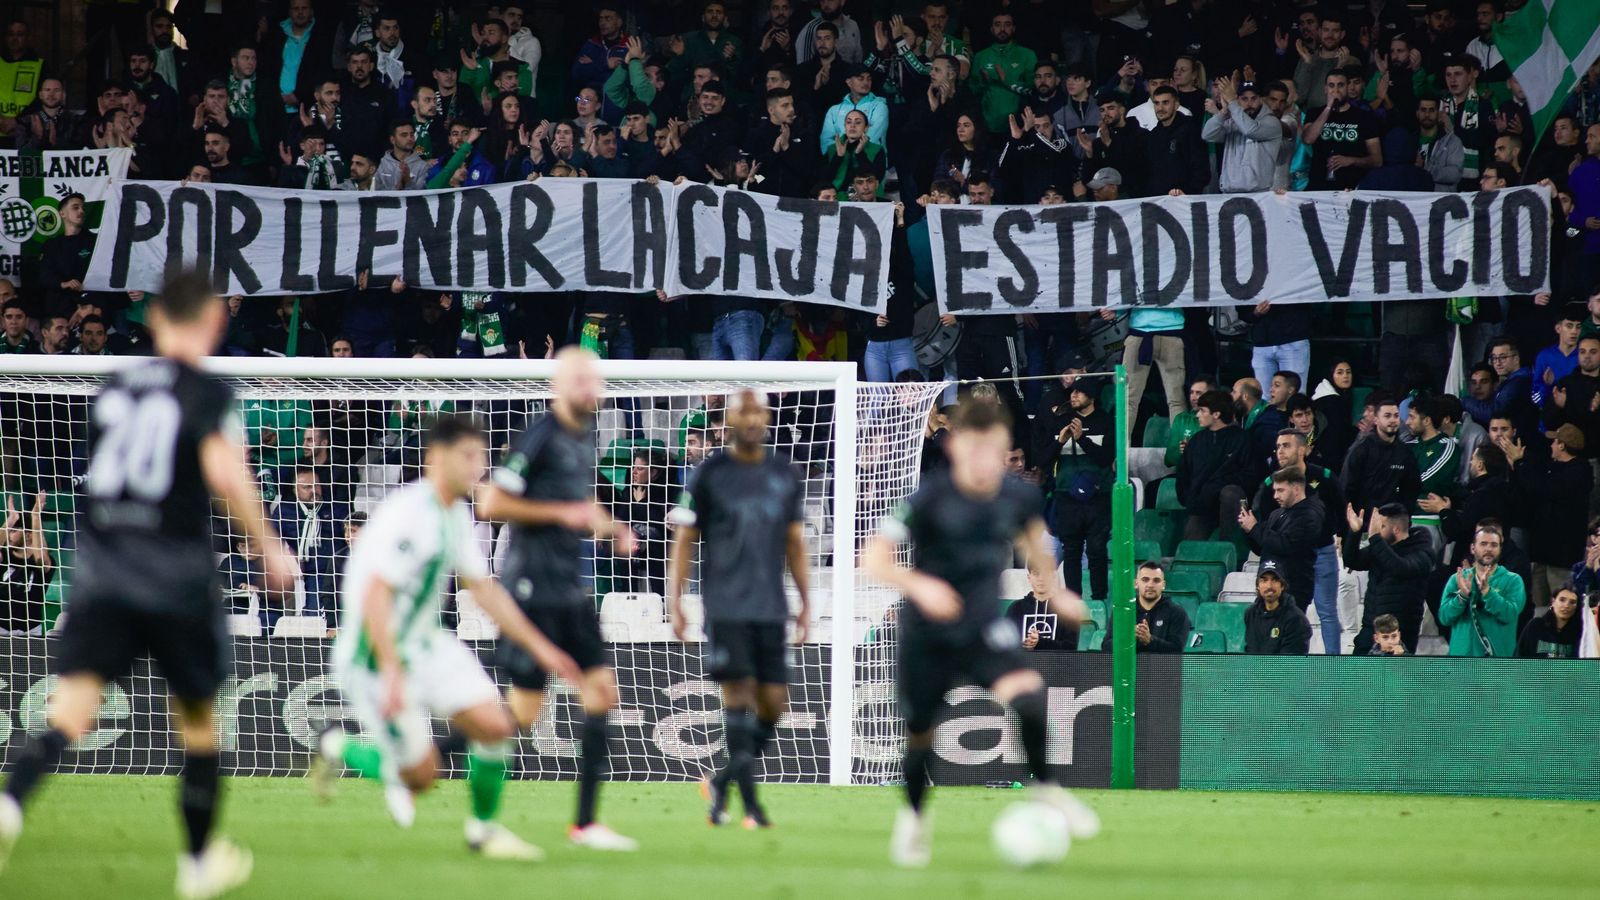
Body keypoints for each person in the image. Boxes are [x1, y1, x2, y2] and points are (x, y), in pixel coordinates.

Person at [0, 272, 299, 894]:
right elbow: (225, 473)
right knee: (198, 722)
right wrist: (268, 546)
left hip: (105, 573)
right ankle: (196, 863)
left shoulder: (114, 388)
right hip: (175, 575)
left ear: (156, 320)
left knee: (70, 712)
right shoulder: (205, 391)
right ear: (214, 322)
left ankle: (10, 806)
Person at [312, 414, 578, 859]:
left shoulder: (455, 513)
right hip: (376, 654)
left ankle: (484, 831)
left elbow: (484, 590)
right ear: (435, 458)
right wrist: (395, 674)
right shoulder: (409, 514)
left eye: (482, 457)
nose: (478, 466)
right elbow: (376, 595)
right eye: (468, 456)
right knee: (422, 777)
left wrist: (541, 647)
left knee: (496, 726)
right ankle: (335, 743)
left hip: (427, 642)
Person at [863, 399, 1097, 868]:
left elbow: (1035, 546)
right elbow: (873, 559)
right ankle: (912, 821)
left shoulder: (1019, 497)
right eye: (976, 448)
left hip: (982, 627)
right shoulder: (927, 498)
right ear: (955, 448)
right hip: (926, 635)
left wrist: (1058, 593)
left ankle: (1046, 790)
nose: (986, 459)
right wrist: (920, 584)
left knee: (1030, 699)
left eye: (996, 449)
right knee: (920, 735)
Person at [477, 347, 639, 851]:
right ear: (559, 385)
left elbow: (580, 505)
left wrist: (613, 526)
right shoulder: (540, 434)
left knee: (602, 694)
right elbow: (490, 503)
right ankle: (418, 763)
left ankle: (586, 824)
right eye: (582, 380)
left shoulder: (583, 435)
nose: (593, 389)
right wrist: (559, 514)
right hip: (532, 591)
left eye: (596, 380)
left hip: (571, 589)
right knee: (520, 716)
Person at [666, 391, 809, 829]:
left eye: (757, 411)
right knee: (738, 699)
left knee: (774, 704)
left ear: (767, 417)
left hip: (771, 605)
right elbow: (686, 539)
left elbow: (794, 541)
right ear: (727, 418)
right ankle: (750, 809)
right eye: (742, 411)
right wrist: (675, 599)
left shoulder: (783, 471)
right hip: (725, 603)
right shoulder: (709, 473)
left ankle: (723, 781)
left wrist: (806, 602)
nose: (751, 418)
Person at [1254, 429, 1344, 654]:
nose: (1280, 451)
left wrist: (1342, 534)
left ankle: (1334, 665)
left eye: (1286, 445)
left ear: (1302, 450)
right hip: (1288, 558)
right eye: (1278, 446)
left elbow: (1341, 508)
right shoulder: (1270, 484)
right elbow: (1262, 517)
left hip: (1322, 551)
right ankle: (1287, 661)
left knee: (1327, 611)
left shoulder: (1324, 477)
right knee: (1289, 610)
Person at [1344, 502, 1436, 655]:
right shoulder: (1381, 545)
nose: (1376, 531)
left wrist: (1375, 538)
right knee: (1358, 677)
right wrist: (1355, 532)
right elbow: (1353, 561)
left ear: (1396, 529)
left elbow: (1400, 567)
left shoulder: (1422, 550)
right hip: (1370, 630)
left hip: (1399, 634)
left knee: (1395, 678)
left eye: (1382, 526)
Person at [1239, 468, 1324, 614]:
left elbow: (1285, 545)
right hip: (1268, 589)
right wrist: (1248, 531)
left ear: (1296, 489)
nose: (1275, 496)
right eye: (1274, 490)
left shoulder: (1309, 516)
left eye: (1280, 490)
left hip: (1292, 591)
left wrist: (1254, 528)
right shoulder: (1277, 514)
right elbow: (1262, 547)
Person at [1176, 389, 1256, 541]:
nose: (1198, 415)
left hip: (1234, 504)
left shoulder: (1242, 439)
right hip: (1202, 506)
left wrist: (1216, 487)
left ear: (1216, 414)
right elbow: (1183, 473)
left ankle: (1230, 548)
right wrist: (1190, 499)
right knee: (1192, 544)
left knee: (1230, 493)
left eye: (1202, 410)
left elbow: (1250, 476)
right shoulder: (1196, 441)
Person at [1438, 521, 1526, 657]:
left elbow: (1509, 614)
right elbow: (1444, 617)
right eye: (1483, 544)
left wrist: (1488, 592)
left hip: (1497, 663)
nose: (1489, 549)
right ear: (1473, 548)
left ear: (1500, 549)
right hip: (1461, 661)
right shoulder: (1457, 579)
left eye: (1494, 545)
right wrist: (1462, 596)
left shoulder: (1513, 581)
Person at [1341, 394, 1422, 519]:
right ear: (1376, 420)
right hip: (1363, 524)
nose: (1393, 420)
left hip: (1393, 524)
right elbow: (1346, 488)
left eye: (1396, 415)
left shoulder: (1405, 452)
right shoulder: (1361, 450)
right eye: (1387, 416)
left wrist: (1403, 515)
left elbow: (1412, 489)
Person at [1100, 561, 1192, 653]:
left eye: (1156, 580)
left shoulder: (1177, 612)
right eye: (1145, 579)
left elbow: (1177, 650)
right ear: (1136, 583)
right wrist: (1128, 638)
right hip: (1129, 667)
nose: (1150, 585)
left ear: (1163, 585)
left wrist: (1150, 640)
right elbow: (1106, 647)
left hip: (1159, 667)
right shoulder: (1122, 610)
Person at [1242, 561, 1311, 655]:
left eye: (1274, 580)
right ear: (1258, 586)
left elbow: (1292, 662)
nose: (1269, 586)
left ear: (1282, 586)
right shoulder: (1251, 614)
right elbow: (1249, 650)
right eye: (1264, 580)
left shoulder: (1296, 619)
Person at [1006, 566, 1079, 652]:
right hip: (1022, 664)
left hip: (1056, 664)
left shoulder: (1066, 610)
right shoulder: (1016, 608)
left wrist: (1040, 642)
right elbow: (1006, 644)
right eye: (1036, 574)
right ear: (1029, 578)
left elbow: (1071, 648)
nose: (1041, 578)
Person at [1516, 582, 1582, 658]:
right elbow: (1520, 656)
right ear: (1553, 602)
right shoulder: (1535, 626)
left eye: (1572, 602)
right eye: (1562, 600)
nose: (1566, 605)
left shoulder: (1579, 632)